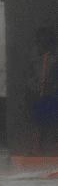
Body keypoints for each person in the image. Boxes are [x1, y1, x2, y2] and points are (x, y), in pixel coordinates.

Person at [26, 27, 58, 155]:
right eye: (40, 40)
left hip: (52, 92)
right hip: (37, 92)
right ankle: (36, 148)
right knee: (38, 120)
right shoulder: (35, 55)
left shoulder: (54, 56)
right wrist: (34, 84)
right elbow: (29, 74)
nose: (42, 42)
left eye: (46, 39)